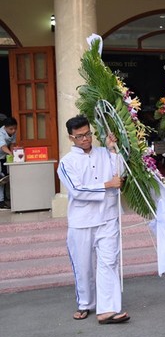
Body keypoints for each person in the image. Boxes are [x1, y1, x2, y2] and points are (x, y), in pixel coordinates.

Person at [57, 115, 129, 324]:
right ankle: (86, 303)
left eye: (88, 134)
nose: (86, 139)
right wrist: (107, 185)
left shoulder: (103, 153)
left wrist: (113, 149)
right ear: (71, 138)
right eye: (80, 136)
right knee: (83, 266)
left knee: (109, 262)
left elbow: (120, 173)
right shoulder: (66, 163)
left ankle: (108, 309)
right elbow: (77, 190)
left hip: (108, 217)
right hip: (81, 221)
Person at [0, 117, 18, 209]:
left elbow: (12, 144)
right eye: (11, 129)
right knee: (1, 179)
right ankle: (1, 201)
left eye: (15, 128)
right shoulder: (0, 133)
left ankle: (4, 198)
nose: (13, 131)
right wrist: (11, 153)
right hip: (2, 154)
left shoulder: (13, 132)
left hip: (3, 156)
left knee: (4, 178)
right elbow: (3, 146)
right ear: (5, 127)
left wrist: (13, 153)